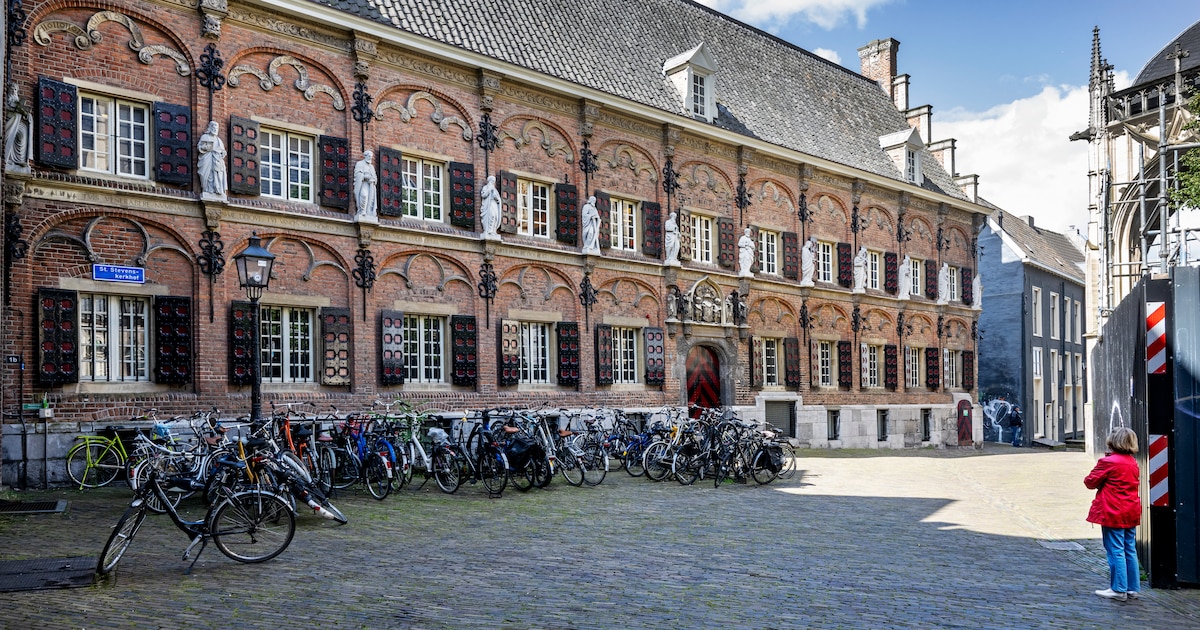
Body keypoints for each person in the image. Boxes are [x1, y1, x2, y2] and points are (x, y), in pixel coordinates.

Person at [1085, 427, 1142, 602]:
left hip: (1113, 510)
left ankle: (1118, 589)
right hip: (1130, 510)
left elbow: (1090, 482)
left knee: (1115, 549)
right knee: (1129, 549)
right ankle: (1132, 588)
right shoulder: (1132, 461)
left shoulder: (1108, 462)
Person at [197, 120, 227, 198]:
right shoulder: (205, 137)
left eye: (216, 128)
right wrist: (205, 147)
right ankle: (207, 189)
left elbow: (223, 151)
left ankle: (217, 190)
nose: (215, 130)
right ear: (210, 128)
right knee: (207, 175)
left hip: (217, 162)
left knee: (217, 175)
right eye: (213, 128)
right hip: (207, 159)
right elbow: (199, 147)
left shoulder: (219, 140)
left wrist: (223, 153)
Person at [353, 151, 378, 221]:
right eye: (369, 156)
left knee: (371, 200)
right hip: (363, 183)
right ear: (365, 156)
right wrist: (364, 176)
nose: (370, 157)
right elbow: (357, 174)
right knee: (364, 195)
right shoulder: (360, 164)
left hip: (371, 185)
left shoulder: (372, 167)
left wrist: (373, 180)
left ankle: (368, 211)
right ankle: (362, 210)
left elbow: (375, 177)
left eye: (371, 156)